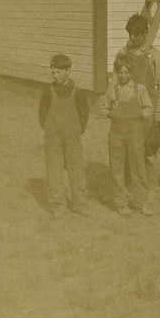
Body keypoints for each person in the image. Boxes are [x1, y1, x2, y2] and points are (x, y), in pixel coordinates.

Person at [99, 51, 154, 216]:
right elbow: (102, 108)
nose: (123, 75)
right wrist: (111, 114)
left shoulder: (140, 89)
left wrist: (138, 115)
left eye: (126, 72)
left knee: (138, 168)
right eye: (120, 72)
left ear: (131, 72)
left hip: (135, 133)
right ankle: (121, 203)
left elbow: (149, 108)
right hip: (116, 134)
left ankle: (142, 203)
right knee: (117, 169)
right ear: (117, 72)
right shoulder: (112, 90)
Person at [122, 13, 160, 196]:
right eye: (131, 34)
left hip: (148, 114)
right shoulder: (123, 54)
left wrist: (158, 115)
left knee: (148, 151)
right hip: (128, 112)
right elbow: (116, 83)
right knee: (129, 149)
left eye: (137, 34)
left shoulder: (154, 56)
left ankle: (150, 187)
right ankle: (131, 185)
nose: (133, 38)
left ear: (145, 34)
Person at [39, 53, 90, 218]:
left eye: (59, 72)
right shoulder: (48, 91)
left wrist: (77, 130)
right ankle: (58, 206)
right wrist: (48, 128)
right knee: (54, 172)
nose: (55, 75)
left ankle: (80, 204)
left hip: (72, 138)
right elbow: (42, 113)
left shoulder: (78, 93)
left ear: (68, 71)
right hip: (53, 138)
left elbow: (84, 114)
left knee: (76, 170)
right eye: (53, 72)